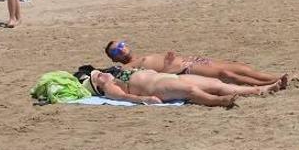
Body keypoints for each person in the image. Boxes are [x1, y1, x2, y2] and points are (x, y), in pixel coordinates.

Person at [104, 40, 288, 88]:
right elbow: (148, 79)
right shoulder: (126, 68)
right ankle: (269, 84)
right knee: (227, 75)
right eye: (116, 51)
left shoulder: (141, 57)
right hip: (184, 69)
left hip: (190, 59)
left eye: (121, 45)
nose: (121, 49)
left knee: (239, 67)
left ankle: (276, 77)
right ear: (114, 58)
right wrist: (169, 68)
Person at [76, 65, 276, 107]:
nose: (101, 74)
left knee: (216, 83)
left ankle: (260, 90)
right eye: (97, 78)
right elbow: (123, 98)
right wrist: (144, 100)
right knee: (191, 91)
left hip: (167, 77)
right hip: (156, 88)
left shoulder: (117, 75)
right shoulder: (110, 88)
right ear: (97, 87)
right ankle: (218, 102)